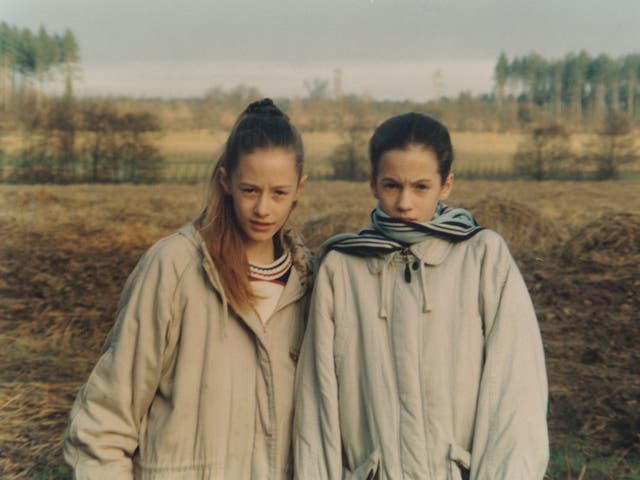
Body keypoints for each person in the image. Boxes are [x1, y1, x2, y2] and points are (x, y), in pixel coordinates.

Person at [64, 98, 312, 479]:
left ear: (299, 188)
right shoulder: (174, 266)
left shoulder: (309, 282)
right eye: (250, 190)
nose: (263, 208)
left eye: (279, 193)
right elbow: (105, 420)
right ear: (226, 181)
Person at [293, 112, 548, 479]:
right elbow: (318, 402)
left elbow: (516, 390)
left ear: (446, 185)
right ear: (373, 183)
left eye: (421, 187)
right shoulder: (342, 268)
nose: (404, 203)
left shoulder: (482, 257)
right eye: (392, 185)